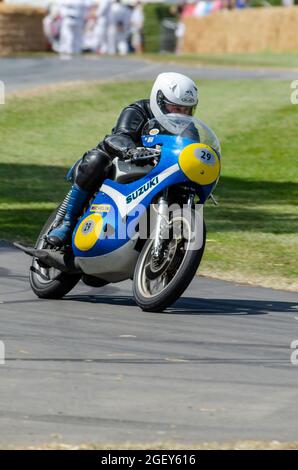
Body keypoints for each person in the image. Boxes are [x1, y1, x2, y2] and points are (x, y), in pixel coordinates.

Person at [47, 72, 199, 247]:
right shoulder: (138, 110)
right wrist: (131, 151)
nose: (181, 114)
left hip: (157, 173)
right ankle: (67, 223)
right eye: (176, 108)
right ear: (160, 101)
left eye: (187, 110)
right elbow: (119, 136)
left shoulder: (189, 129)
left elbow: (190, 152)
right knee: (96, 160)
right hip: (123, 164)